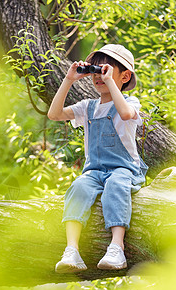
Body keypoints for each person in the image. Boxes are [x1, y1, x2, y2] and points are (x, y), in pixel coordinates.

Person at [47, 44, 148, 273]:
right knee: (78, 187)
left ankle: (117, 246)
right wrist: (69, 80)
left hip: (124, 169)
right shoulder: (88, 107)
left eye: (106, 69)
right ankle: (72, 249)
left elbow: (124, 114)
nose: (98, 76)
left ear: (125, 76)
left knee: (116, 185)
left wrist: (111, 83)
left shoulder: (130, 103)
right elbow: (54, 114)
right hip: (94, 172)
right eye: (95, 71)